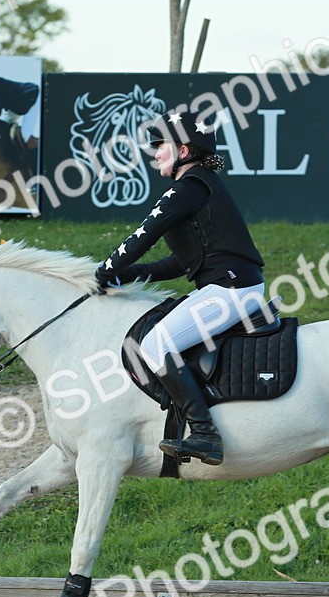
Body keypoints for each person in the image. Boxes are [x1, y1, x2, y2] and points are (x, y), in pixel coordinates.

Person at [94, 110, 268, 466]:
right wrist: (125, 276)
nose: (155, 152)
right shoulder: (200, 186)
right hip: (231, 287)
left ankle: (205, 434)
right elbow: (180, 263)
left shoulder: (188, 188)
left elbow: (144, 235)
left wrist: (106, 269)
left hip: (231, 292)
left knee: (155, 344)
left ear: (184, 151)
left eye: (162, 145)